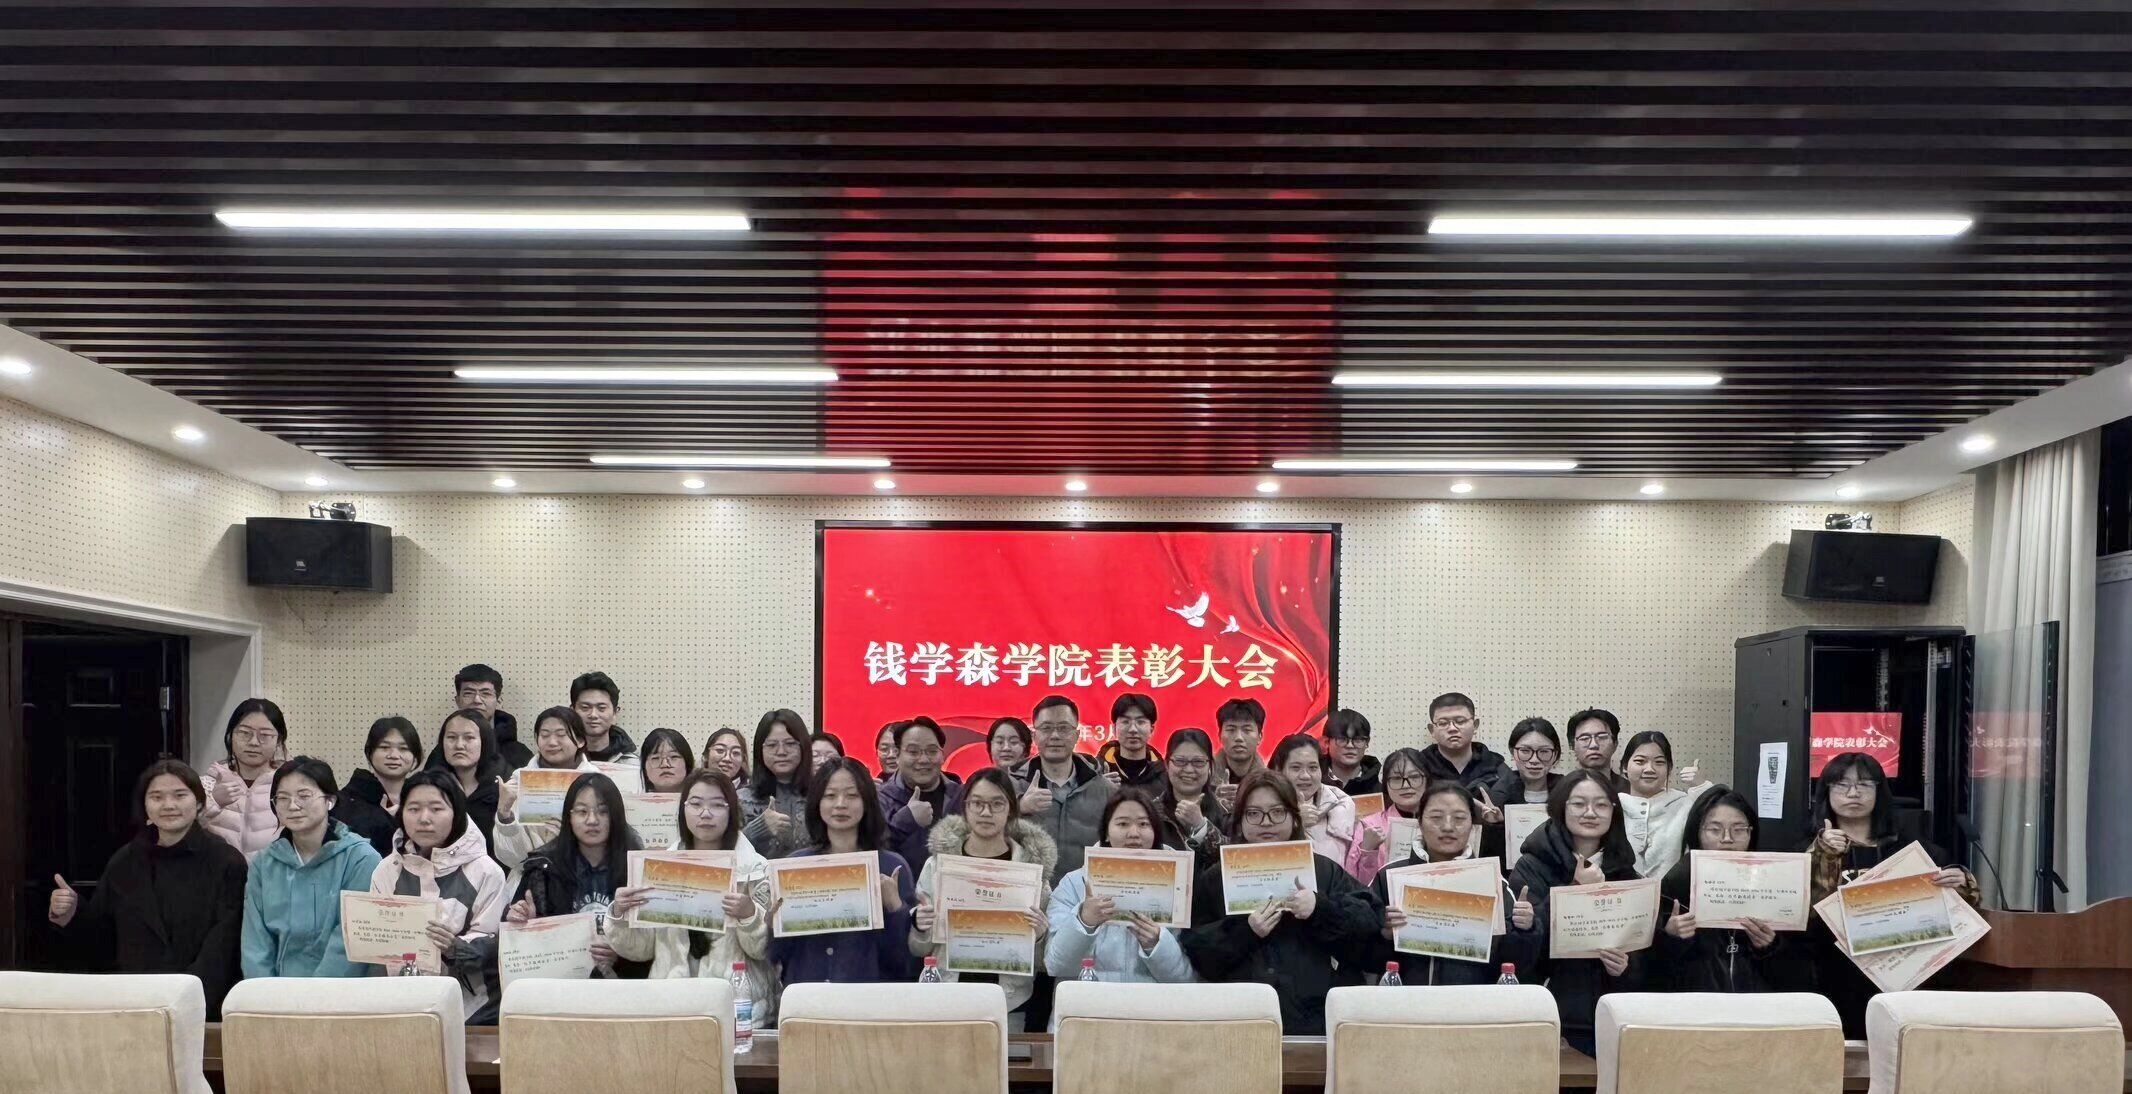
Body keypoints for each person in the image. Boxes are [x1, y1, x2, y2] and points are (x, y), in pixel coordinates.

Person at [1182, 770, 1377, 1035]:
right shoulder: (1216, 878)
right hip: (1240, 1023)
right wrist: (1244, 931)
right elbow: (1198, 954)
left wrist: (1320, 909)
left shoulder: (1323, 870)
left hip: (1316, 1025)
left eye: (1277, 812)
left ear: (1294, 818)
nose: (1266, 822)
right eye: (1254, 813)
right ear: (1239, 821)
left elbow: (1369, 931)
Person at [47, 759, 247, 1016]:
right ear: (145, 805)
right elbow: (101, 937)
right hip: (133, 1003)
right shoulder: (125, 861)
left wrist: (187, 1002)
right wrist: (72, 913)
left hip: (199, 1006)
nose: (168, 805)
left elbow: (224, 946)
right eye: (156, 797)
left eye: (179, 795)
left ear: (199, 802)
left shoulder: (226, 861)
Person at [1802, 752, 1977, 1036]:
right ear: (1826, 792)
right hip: (1835, 973)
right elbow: (1803, 913)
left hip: (1906, 972)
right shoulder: (1806, 850)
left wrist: (1961, 884)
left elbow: (1953, 914)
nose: (1853, 793)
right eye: (1842, 784)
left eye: (1864, 784)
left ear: (1879, 792)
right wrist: (1823, 854)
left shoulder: (1914, 851)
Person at [609, 769, 781, 1027]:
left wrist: (749, 916)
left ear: (731, 811)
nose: (705, 813)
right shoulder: (659, 869)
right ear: (684, 809)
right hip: (672, 1007)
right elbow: (640, 949)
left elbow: (763, 952)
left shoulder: (756, 870)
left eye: (717, 805)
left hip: (736, 1011)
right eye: (696, 804)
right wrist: (620, 914)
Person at [1509, 770, 1646, 1055]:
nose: (1590, 813)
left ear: (1614, 811)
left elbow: (1643, 955)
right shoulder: (1532, 865)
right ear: (1562, 807)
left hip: (1611, 1018)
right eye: (1579, 804)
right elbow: (1522, 951)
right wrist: (1575, 889)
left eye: (1601, 804)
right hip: (1552, 1015)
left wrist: (1625, 967)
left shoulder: (1627, 873)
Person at [909, 768, 1058, 1028]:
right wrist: (920, 926)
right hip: (946, 997)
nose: (986, 812)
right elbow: (919, 949)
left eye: (997, 804)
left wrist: (1040, 936)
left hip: (1010, 1002)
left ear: (1011, 809)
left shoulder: (1031, 871)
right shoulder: (939, 866)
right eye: (977, 803)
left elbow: (1045, 962)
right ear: (965, 808)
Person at [1368, 780, 1540, 985]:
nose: (1448, 827)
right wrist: (1385, 934)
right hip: (1406, 999)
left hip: (1471, 1000)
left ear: (1472, 825)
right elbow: (1365, 956)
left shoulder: (1493, 884)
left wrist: (1525, 929)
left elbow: (1515, 964)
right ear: (1419, 822)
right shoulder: (1390, 877)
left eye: (1459, 818)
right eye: (1436, 817)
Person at [368, 770, 507, 1020]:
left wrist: (456, 947)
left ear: (457, 812)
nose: (424, 819)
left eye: (436, 809)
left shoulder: (486, 871)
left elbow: (493, 940)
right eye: (413, 809)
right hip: (401, 1004)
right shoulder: (387, 869)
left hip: (472, 1011)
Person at [769, 758, 917, 984]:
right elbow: (777, 956)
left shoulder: (891, 867)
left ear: (867, 802)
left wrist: (895, 908)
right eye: (830, 795)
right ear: (817, 802)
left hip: (870, 998)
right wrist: (773, 925)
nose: (840, 804)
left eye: (852, 795)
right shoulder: (795, 867)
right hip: (808, 996)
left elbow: (904, 962)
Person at [240, 757, 382, 978]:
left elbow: (350, 940)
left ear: (330, 800)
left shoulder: (361, 859)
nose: (293, 806)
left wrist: (312, 994)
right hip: (276, 992)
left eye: (304, 796)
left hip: (340, 990)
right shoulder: (264, 863)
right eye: (282, 798)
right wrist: (265, 991)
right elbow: (255, 942)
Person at [1656, 787, 1801, 994]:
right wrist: (1670, 936)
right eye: (1714, 829)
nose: (1727, 838)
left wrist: (1771, 946)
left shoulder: (1773, 880)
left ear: (1751, 832)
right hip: (1697, 1003)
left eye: (1739, 829)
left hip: (1756, 1004)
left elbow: (1796, 971)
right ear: (1697, 832)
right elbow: (1653, 969)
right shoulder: (1676, 882)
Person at [503, 772, 649, 979]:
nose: (592, 820)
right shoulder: (543, 868)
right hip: (560, 983)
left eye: (603, 811)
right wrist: (526, 922)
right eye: (582, 811)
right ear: (569, 817)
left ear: (616, 816)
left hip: (626, 984)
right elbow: (517, 941)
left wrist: (622, 953)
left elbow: (653, 945)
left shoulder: (637, 868)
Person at [1046, 789, 1198, 987]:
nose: (1134, 833)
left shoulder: (1178, 885)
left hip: (1150, 1005)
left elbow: (1186, 979)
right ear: (1106, 832)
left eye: (1143, 824)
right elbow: (1055, 965)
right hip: (1089, 1004)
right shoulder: (1074, 884)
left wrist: (1157, 944)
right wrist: (1084, 922)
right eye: (1123, 824)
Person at [1011, 695, 1114, 879]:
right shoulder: (1010, 786)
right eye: (1046, 728)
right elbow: (983, 835)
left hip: (1085, 892)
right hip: (1028, 891)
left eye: (1064, 728)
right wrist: (1019, 807)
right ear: (1034, 736)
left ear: (1076, 735)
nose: (1055, 736)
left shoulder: (1107, 791)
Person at [492, 707, 604, 868]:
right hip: (531, 876)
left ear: (580, 740)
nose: (552, 742)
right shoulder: (519, 780)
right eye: (544, 735)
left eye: (561, 735)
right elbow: (510, 858)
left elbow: (609, 845)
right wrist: (505, 815)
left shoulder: (597, 781)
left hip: (583, 874)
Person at [1617, 730, 1713, 878]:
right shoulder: (1612, 806)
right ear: (1624, 766)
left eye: (1659, 762)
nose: (1649, 769)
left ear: (1669, 769)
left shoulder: (1686, 804)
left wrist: (1701, 785)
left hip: (1674, 891)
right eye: (1640, 761)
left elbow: (1716, 820)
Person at [202, 699, 288, 860]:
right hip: (219, 874)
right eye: (244, 733)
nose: (254, 742)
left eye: (265, 735)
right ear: (230, 736)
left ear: (278, 741)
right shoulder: (208, 783)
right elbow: (183, 832)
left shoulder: (289, 785)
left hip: (270, 874)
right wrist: (213, 801)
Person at [879, 716, 964, 876]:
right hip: (898, 890)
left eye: (932, 751)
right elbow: (870, 853)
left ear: (942, 755)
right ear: (897, 755)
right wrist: (905, 820)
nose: (924, 759)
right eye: (913, 752)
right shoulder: (879, 799)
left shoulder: (962, 797)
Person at [424, 708, 508, 855]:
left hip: (494, 866)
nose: (459, 745)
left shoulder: (505, 784)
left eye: (469, 738)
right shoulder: (429, 785)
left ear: (484, 742)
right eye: (451, 737)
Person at [1479, 717, 1565, 860]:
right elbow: (1489, 855)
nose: (1534, 760)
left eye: (1544, 751)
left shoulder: (1568, 793)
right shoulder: (1497, 797)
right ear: (1513, 752)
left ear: (1554, 754)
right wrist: (1495, 826)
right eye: (1525, 751)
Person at [337, 716, 423, 856]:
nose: (394, 755)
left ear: (415, 757)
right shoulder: (346, 801)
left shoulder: (424, 798)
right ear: (370, 753)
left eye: (403, 748)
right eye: (384, 747)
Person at [1344, 747, 1428, 883]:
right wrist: (1368, 851)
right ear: (1386, 784)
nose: (1405, 785)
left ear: (1428, 780)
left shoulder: (1439, 823)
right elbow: (1353, 882)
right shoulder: (1369, 825)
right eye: (1396, 778)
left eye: (1414, 777)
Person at [1272, 734, 1357, 863]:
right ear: (1279, 770)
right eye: (1296, 768)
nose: (1305, 776)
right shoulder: (1261, 806)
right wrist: (1294, 825)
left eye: (1313, 768)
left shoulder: (1342, 804)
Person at [740, 709, 813, 859]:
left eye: (790, 744)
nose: (781, 752)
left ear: (803, 747)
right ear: (760, 750)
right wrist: (758, 828)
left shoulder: (820, 796)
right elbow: (727, 853)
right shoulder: (741, 799)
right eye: (772, 745)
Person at [1158, 728, 1225, 869]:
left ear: (1210, 766)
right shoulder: (1150, 812)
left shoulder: (1226, 809)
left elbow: (1235, 860)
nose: (1189, 770)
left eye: (1198, 762)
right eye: (1180, 761)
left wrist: (1201, 827)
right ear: (1166, 764)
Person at [455, 664, 531, 771]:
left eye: (485, 693)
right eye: (469, 693)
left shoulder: (519, 753)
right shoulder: (446, 749)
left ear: (498, 701)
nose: (477, 700)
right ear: (458, 701)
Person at [1096, 692, 1166, 799]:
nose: (1133, 729)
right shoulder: (1096, 771)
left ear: (1151, 730)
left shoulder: (1165, 775)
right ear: (1114, 729)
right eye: (1125, 722)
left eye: (1140, 722)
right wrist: (1096, 790)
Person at [1211, 697, 1269, 811]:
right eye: (1231, 730)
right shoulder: (1203, 776)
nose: (1238, 738)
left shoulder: (1270, 782)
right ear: (1219, 735)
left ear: (1260, 737)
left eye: (1247, 730)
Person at [570, 671, 636, 762]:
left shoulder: (633, 764)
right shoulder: (560, 760)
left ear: (615, 713)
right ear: (572, 712)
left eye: (601, 708)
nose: (593, 715)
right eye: (585, 707)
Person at [1566, 709, 1630, 793]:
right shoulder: (1561, 789)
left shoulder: (1630, 790)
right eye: (1585, 738)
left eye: (1602, 737)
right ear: (1572, 745)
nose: (1594, 745)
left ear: (1615, 744)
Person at [1321, 708, 1380, 796]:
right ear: (1326, 742)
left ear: (1367, 743)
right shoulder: (1311, 786)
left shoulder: (1382, 792)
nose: (1350, 745)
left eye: (1358, 739)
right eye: (1342, 739)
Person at [638, 728, 695, 794]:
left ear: (688, 764)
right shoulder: (632, 800)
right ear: (645, 768)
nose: (665, 764)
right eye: (656, 758)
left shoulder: (702, 799)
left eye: (674, 756)